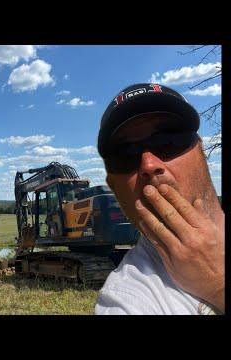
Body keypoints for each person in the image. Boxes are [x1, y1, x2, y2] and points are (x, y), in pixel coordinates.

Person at [94, 83, 224, 315]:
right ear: (113, 186)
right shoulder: (127, 300)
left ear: (202, 152)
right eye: (126, 154)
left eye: (169, 141)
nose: (149, 165)